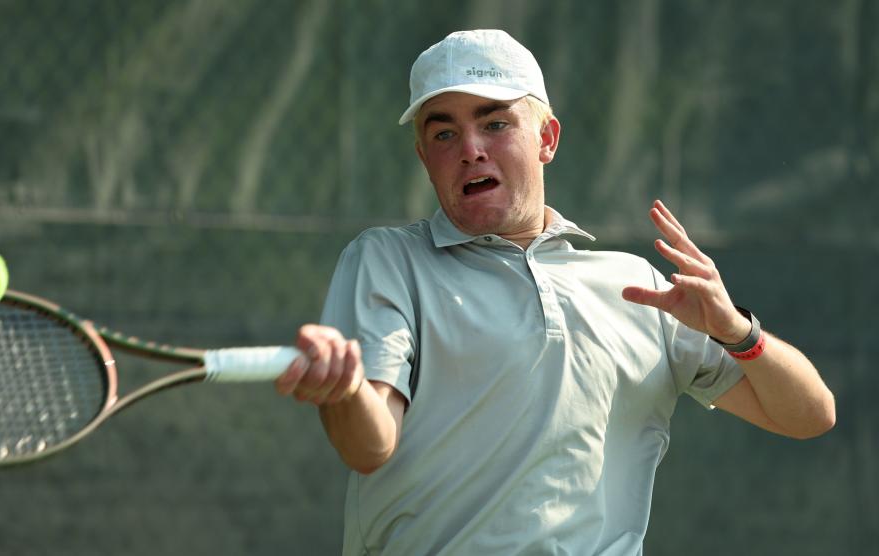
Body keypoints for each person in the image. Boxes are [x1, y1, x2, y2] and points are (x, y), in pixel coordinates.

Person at [274, 29, 836, 555]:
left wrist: (737, 332)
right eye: (443, 132)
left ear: (546, 138)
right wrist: (344, 391)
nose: (470, 148)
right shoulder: (387, 260)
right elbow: (368, 447)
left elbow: (810, 416)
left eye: (495, 123)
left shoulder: (638, 286)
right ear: (425, 158)